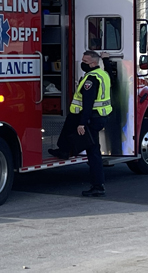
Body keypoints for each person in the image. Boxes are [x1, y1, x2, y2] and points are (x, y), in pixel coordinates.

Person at [48, 50, 113, 197]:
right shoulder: (103, 74)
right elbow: (111, 77)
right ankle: (64, 150)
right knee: (71, 122)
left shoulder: (91, 79)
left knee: (93, 152)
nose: (82, 64)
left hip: (91, 119)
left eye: (85, 62)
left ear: (94, 63)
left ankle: (98, 186)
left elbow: (88, 104)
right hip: (99, 117)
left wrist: (82, 123)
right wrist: (106, 60)